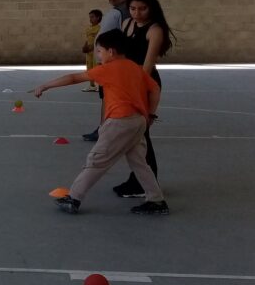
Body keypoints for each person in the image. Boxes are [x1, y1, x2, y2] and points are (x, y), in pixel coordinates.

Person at [32, 28, 168, 216]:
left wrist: (45, 85)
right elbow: (155, 89)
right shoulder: (135, 67)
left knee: (96, 160)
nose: (97, 56)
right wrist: (150, 115)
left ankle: (73, 198)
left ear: (111, 51)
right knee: (139, 162)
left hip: (119, 122)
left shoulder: (107, 69)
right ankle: (156, 200)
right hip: (138, 122)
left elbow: (73, 78)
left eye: (99, 51)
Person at [111, 0, 176, 198]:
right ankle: (137, 178)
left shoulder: (155, 30)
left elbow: (146, 67)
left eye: (142, 9)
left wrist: (132, 88)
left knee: (141, 133)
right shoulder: (127, 23)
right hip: (127, 81)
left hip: (144, 83)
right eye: (133, 9)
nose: (137, 13)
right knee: (134, 135)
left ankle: (147, 182)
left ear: (151, 8)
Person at [83, 0, 131, 141]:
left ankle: (107, 129)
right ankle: (104, 127)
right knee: (107, 96)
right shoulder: (120, 11)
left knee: (111, 97)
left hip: (113, 63)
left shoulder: (122, 12)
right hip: (109, 62)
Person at [82, 9, 103, 90]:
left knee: (96, 68)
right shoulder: (88, 28)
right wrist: (85, 46)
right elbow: (87, 39)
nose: (90, 19)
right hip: (89, 53)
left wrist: (93, 47)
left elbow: (99, 40)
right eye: (90, 17)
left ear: (98, 17)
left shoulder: (100, 28)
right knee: (89, 68)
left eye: (92, 17)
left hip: (95, 52)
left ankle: (98, 85)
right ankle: (92, 85)